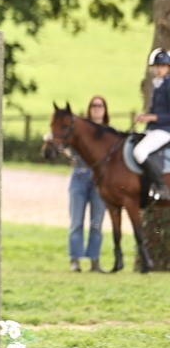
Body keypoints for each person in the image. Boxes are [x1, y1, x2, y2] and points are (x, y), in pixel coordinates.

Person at [67, 96, 109, 272]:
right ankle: (75, 260)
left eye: (100, 106)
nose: (97, 108)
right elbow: (68, 147)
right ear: (89, 108)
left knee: (97, 222)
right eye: (94, 105)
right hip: (80, 176)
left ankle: (94, 260)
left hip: (100, 181)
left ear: (105, 110)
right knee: (76, 221)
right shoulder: (80, 130)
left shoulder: (110, 133)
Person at [135, 48, 170, 202]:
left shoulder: (168, 86)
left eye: (161, 66)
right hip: (154, 129)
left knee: (139, 152)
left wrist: (151, 117)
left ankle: (161, 187)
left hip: (165, 130)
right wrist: (145, 118)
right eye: (156, 66)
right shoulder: (159, 85)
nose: (158, 69)